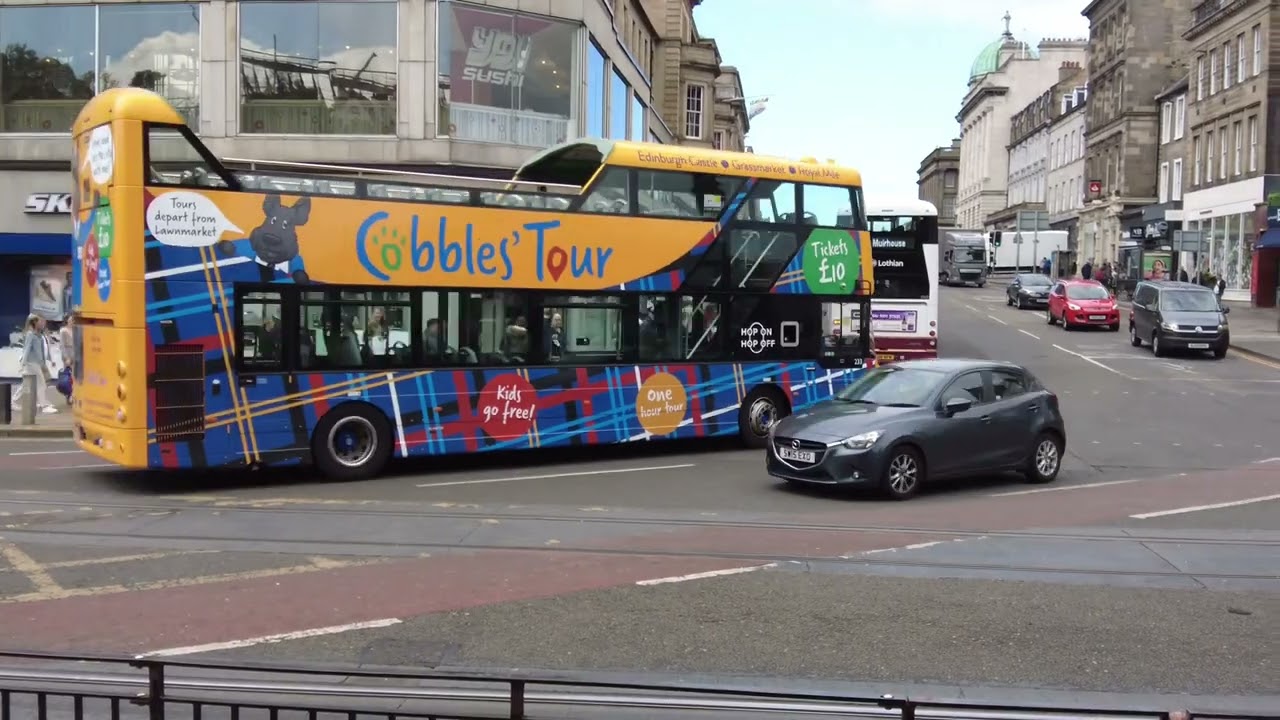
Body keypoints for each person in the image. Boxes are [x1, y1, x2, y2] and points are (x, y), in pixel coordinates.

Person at [10, 314, 57, 415]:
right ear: (34, 322)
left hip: (36, 363)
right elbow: (26, 349)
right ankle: (44, 406)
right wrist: (23, 364)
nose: (43, 323)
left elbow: (42, 350)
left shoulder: (38, 334)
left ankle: (13, 401)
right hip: (31, 363)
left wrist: (46, 360)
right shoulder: (30, 334)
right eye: (41, 321)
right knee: (41, 383)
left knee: (26, 384)